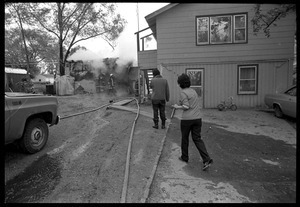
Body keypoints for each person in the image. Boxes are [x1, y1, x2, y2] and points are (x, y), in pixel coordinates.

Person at [172, 73, 213, 171]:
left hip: (187, 120)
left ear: (180, 84)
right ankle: (206, 159)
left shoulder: (183, 92)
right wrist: (182, 102)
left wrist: (177, 107)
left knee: (185, 138)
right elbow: (191, 103)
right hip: (197, 119)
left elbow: (186, 106)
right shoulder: (193, 91)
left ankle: (185, 157)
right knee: (197, 139)